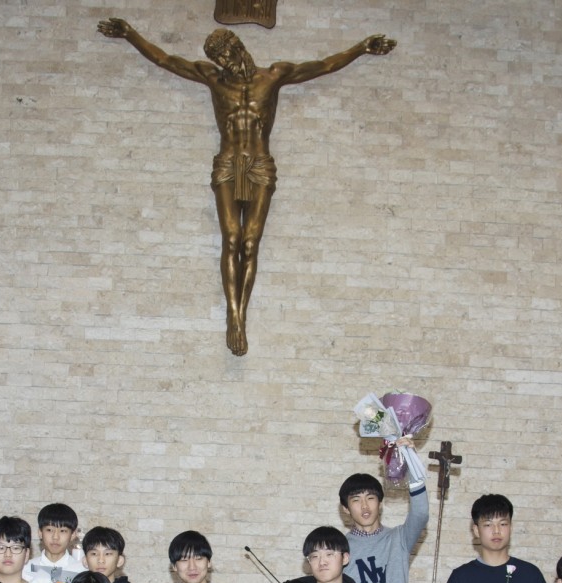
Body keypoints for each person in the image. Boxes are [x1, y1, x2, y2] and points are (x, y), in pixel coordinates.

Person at [97, 19, 394, 355]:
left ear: (238, 48)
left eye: (226, 55)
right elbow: (165, 60)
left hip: (259, 164)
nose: (224, 63)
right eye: (219, 59)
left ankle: (243, 312)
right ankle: (233, 316)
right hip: (228, 164)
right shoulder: (213, 78)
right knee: (231, 238)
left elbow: (324, 65)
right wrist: (130, 34)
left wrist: (361, 48)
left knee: (250, 243)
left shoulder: (274, 76)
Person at [438, 494, 548, 583]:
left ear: (511, 527)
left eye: (503, 524)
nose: (496, 531)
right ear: (476, 530)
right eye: (488, 524)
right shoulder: (461, 577)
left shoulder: (530, 575)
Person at [340, 470, 429, 583]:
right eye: (356, 500)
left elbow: (420, 513)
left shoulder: (399, 538)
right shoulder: (340, 548)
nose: (364, 506)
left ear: (380, 503)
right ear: (345, 508)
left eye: (370, 498)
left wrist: (412, 465)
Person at [23, 502, 86, 583]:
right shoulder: (25, 569)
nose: (55, 537)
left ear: (73, 534)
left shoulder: (81, 571)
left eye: (63, 531)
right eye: (49, 530)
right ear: (40, 533)